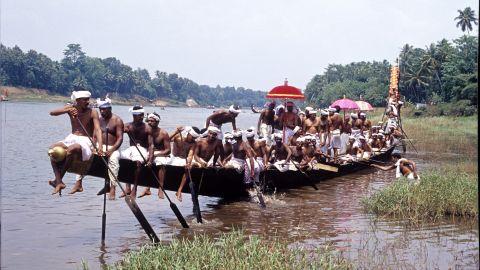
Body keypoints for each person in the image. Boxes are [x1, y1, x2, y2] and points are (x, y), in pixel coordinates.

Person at [48, 90, 103, 195]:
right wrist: (67, 110)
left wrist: (99, 146)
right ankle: (58, 181)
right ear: (77, 101)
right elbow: (52, 113)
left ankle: (58, 180)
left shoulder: (92, 112)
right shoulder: (70, 108)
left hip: (85, 140)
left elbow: (98, 129)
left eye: (88, 99)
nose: (87, 102)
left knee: (72, 149)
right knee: (52, 150)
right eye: (84, 100)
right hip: (71, 137)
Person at [74, 98, 124, 199]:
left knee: (114, 160)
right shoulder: (98, 120)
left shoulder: (117, 120)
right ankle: (78, 182)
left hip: (112, 148)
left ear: (110, 109)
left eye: (104, 109)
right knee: (86, 154)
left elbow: (120, 139)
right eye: (100, 109)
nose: (101, 111)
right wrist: (93, 147)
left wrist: (112, 150)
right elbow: (95, 136)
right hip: (99, 146)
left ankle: (112, 187)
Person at [120, 105, 152, 199]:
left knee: (138, 163)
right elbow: (117, 133)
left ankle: (135, 188)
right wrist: (123, 130)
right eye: (140, 115)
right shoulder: (128, 125)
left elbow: (151, 145)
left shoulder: (147, 128)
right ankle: (127, 188)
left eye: (142, 115)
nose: (142, 117)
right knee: (118, 158)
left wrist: (150, 158)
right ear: (134, 115)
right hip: (131, 148)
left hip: (142, 149)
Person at [138, 113, 171, 199]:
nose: (149, 122)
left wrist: (155, 155)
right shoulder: (145, 131)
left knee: (161, 162)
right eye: (148, 121)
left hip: (160, 154)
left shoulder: (163, 133)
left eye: (152, 121)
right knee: (136, 158)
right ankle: (146, 188)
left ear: (157, 122)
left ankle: (161, 187)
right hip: (149, 153)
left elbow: (168, 150)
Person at [168, 126, 200, 201]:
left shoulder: (193, 143)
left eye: (195, 138)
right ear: (188, 133)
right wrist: (175, 132)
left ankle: (179, 190)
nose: (193, 139)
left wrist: (188, 163)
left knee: (189, 167)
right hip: (173, 157)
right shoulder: (178, 137)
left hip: (183, 159)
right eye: (192, 137)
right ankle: (148, 187)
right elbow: (167, 140)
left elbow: (190, 154)